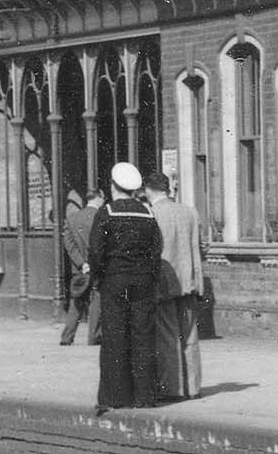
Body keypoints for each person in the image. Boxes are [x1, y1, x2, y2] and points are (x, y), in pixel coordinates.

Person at [88, 162, 161, 415]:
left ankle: (114, 396)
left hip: (115, 282)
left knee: (114, 337)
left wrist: (98, 277)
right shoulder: (148, 213)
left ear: (112, 187)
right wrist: (149, 277)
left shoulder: (106, 212)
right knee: (143, 336)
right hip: (142, 282)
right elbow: (156, 250)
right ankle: (145, 395)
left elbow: (96, 251)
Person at [143, 172, 204, 400]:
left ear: (149, 190)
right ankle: (194, 387)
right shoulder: (189, 211)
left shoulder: (152, 214)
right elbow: (201, 246)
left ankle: (173, 389)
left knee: (168, 335)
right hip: (189, 281)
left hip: (164, 283)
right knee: (190, 334)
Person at [61, 189, 104, 346]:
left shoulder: (73, 218)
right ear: (98, 198)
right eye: (103, 198)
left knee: (77, 301)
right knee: (96, 300)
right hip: (97, 266)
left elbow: (69, 244)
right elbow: (101, 244)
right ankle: (94, 337)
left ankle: (67, 337)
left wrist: (81, 263)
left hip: (79, 269)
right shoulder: (101, 217)